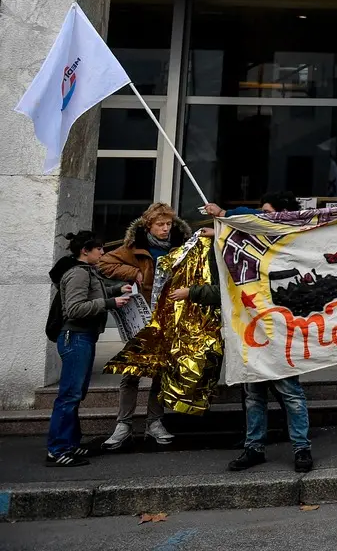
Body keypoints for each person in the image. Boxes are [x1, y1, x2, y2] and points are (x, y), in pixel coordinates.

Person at [176, 193, 315, 474]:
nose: (259, 216)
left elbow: (253, 223)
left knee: (290, 392)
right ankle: (254, 447)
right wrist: (222, 223)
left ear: (282, 215)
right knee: (254, 394)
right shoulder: (254, 243)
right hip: (250, 332)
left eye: (266, 212)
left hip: (278, 332)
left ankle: (301, 448)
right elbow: (228, 288)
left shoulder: (289, 244)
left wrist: (225, 216)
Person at [99, 203, 188, 451]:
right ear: (149, 225)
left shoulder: (180, 245)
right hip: (142, 316)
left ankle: (155, 422)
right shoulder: (135, 247)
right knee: (132, 371)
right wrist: (133, 271)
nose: (165, 229)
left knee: (160, 371)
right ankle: (124, 424)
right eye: (160, 224)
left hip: (169, 315)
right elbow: (104, 263)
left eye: (168, 224)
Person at [46, 233, 133, 467]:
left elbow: (95, 292)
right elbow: (74, 309)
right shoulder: (77, 273)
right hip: (75, 336)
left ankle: (70, 444)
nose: (102, 253)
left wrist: (116, 290)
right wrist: (109, 303)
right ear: (85, 250)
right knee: (69, 396)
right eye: (99, 249)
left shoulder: (86, 271)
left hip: (83, 337)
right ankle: (58, 449)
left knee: (76, 394)